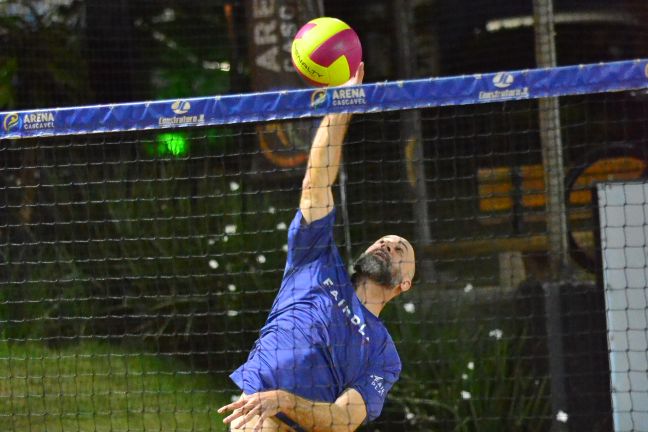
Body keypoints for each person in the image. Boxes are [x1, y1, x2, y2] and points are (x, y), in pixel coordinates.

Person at [218, 62, 416, 432]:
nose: (388, 244)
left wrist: (285, 400)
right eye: (384, 241)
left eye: (401, 249)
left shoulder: (383, 352)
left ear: (405, 284)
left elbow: (342, 421)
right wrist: (341, 107)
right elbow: (316, 183)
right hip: (255, 414)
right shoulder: (316, 259)